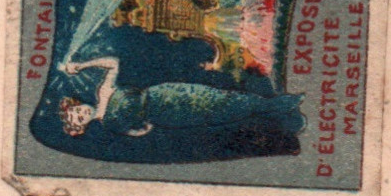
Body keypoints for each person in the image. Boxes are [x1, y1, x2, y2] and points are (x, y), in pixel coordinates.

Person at [58, 57, 304, 138]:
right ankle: (279, 109)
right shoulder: (110, 126)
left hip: (166, 93)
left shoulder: (104, 92)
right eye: (78, 119)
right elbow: (138, 130)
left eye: (77, 110)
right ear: (81, 127)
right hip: (167, 114)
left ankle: (278, 105)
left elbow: (112, 63)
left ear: (79, 104)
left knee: (219, 97)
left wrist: (81, 66)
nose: (82, 113)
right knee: (219, 113)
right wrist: (145, 127)